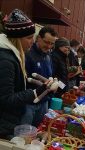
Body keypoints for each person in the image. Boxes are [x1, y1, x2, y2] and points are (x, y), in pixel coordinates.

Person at [0, 9, 51, 139]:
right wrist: (36, 92)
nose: (32, 42)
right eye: (29, 38)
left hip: (8, 121)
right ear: (17, 38)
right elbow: (6, 99)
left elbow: (14, 83)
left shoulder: (13, 55)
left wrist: (37, 83)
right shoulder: (6, 60)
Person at [22, 26, 58, 127]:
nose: (49, 46)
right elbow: (23, 79)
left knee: (37, 130)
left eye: (52, 44)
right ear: (38, 38)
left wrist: (54, 83)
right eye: (46, 42)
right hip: (29, 103)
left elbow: (50, 76)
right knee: (25, 134)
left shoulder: (48, 56)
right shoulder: (28, 54)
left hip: (44, 102)